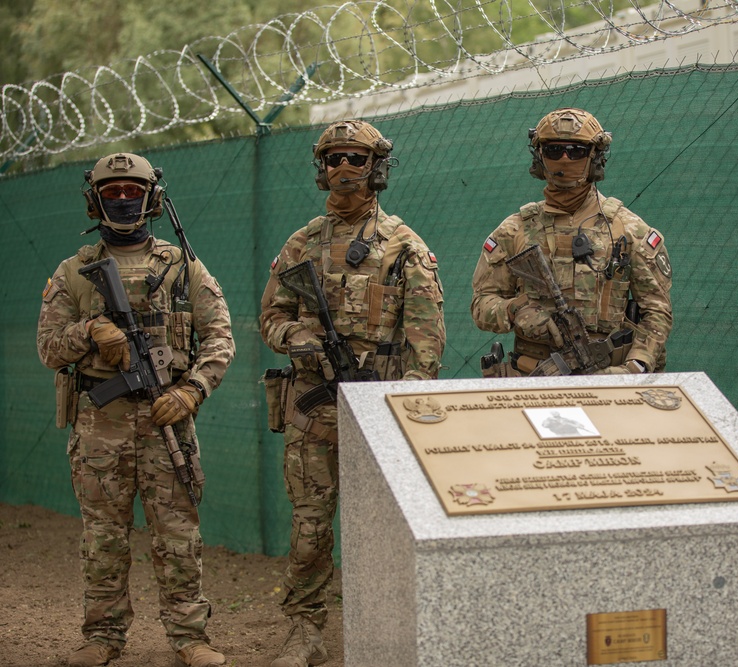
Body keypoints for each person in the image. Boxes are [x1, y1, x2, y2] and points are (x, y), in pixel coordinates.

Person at [36, 153, 235, 667]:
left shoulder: (182, 265)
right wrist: (89, 331)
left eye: (132, 191)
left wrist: (191, 391)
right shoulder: (74, 272)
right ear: (94, 199)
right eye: (112, 191)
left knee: (178, 535)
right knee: (103, 536)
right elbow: (48, 348)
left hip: (167, 417)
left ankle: (190, 637)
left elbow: (219, 339)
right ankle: (102, 637)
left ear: (151, 198)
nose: (122, 199)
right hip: (100, 423)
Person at [259, 119, 445, 667]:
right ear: (322, 168)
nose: (344, 168)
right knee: (311, 524)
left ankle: (391, 625)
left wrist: (411, 398)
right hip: (314, 405)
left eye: (356, 159)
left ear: (376, 168)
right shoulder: (301, 243)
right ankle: (304, 630)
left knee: (389, 525)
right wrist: (297, 336)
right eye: (334, 158)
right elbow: (270, 315)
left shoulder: (404, 245)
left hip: (381, 407)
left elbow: (426, 334)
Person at [470, 107, 672, 376]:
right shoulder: (514, 230)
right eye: (554, 151)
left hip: (607, 377)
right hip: (533, 376)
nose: (565, 159)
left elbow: (656, 310)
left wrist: (635, 366)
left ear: (595, 157)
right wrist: (516, 309)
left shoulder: (629, 230)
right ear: (540, 157)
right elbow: (481, 304)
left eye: (576, 150)